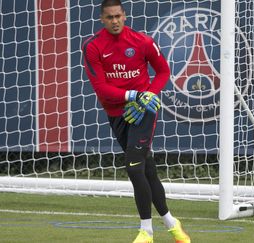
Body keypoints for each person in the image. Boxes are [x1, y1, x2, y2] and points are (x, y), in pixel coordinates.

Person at [82, 1, 191, 242]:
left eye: (118, 16)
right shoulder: (92, 46)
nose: (115, 21)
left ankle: (146, 231)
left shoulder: (142, 41)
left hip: (143, 111)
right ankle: (172, 222)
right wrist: (132, 95)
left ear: (125, 15)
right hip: (117, 113)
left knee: (133, 167)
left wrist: (148, 95)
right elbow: (100, 88)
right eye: (109, 17)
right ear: (102, 18)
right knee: (146, 168)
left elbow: (163, 71)